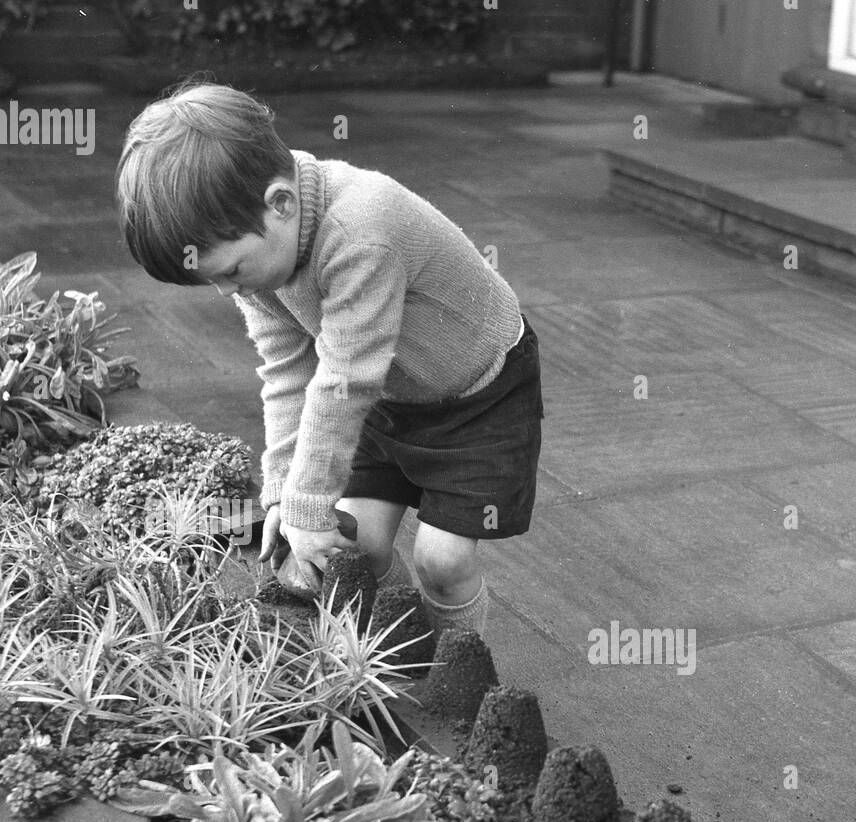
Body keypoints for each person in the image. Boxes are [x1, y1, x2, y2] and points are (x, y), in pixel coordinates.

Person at [115, 79, 543, 637]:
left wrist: (309, 506)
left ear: (281, 204)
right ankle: (397, 644)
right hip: (384, 394)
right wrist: (282, 494)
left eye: (230, 272)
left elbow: (342, 379)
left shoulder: (362, 232)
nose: (227, 292)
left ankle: (456, 676)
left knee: (443, 563)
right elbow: (290, 372)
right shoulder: (265, 259)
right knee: (354, 549)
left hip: (480, 396)